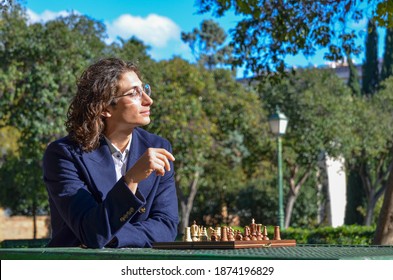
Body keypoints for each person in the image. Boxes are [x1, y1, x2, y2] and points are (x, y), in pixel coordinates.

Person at [43, 57, 178, 248]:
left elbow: (166, 226)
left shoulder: (158, 147)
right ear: (105, 107)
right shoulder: (64, 155)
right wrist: (131, 180)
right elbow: (91, 232)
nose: (148, 100)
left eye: (144, 90)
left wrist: (113, 237)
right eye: (134, 94)